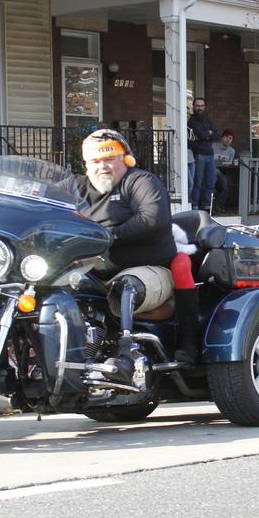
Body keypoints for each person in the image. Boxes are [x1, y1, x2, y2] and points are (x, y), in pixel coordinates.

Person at [72, 129, 200, 365]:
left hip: (146, 267)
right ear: (86, 164)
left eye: (110, 159)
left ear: (125, 158)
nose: (103, 167)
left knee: (128, 287)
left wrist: (107, 235)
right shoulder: (76, 187)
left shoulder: (141, 181)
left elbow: (151, 218)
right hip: (89, 269)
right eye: (95, 161)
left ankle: (180, 345)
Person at [186, 97, 218, 211]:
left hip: (210, 154)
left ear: (205, 107)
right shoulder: (192, 121)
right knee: (198, 182)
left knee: (210, 182)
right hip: (198, 154)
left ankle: (206, 206)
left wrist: (207, 134)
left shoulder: (207, 119)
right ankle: (195, 206)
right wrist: (207, 133)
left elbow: (216, 135)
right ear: (193, 107)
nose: (200, 108)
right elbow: (202, 134)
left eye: (202, 106)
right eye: (197, 106)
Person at [213, 129, 237, 208]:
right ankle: (210, 205)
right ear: (222, 137)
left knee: (226, 183)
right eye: (226, 137)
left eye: (230, 138)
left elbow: (229, 164)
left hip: (223, 172)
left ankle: (219, 205)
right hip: (211, 170)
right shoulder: (213, 146)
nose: (228, 140)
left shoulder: (231, 151)